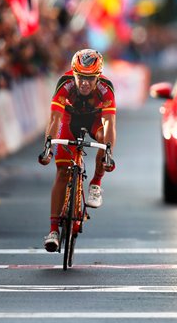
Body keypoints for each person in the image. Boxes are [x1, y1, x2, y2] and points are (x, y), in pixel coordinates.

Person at [38, 49, 116, 252]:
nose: (84, 83)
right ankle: (54, 230)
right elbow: (55, 119)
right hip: (69, 120)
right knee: (63, 171)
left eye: (90, 79)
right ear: (74, 73)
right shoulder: (65, 84)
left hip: (94, 121)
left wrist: (108, 153)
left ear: (98, 77)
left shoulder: (106, 89)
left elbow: (109, 124)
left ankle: (96, 184)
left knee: (102, 138)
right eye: (80, 77)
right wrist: (48, 146)